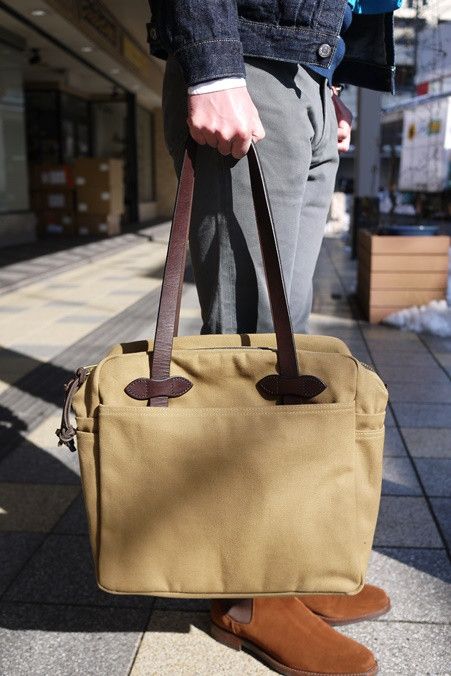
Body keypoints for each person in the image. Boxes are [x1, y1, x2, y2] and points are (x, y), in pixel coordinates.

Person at [147, 2, 401, 674]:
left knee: (284, 344)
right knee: (246, 347)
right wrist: (211, 62)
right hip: (245, 62)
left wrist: (331, 79)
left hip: (305, 73)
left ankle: (284, 560)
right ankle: (250, 593)